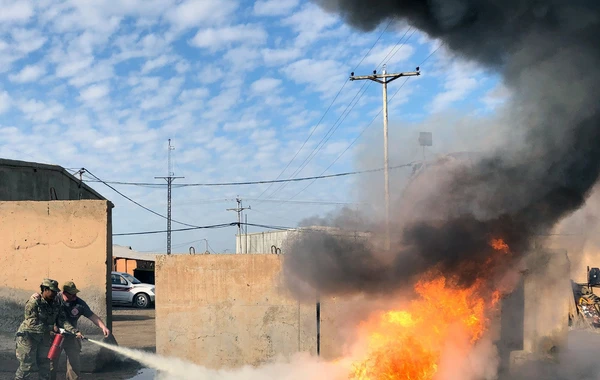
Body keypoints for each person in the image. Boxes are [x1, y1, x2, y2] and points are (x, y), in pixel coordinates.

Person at [15, 278, 84, 380]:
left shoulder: (56, 303)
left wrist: (75, 331)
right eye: (52, 291)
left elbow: (62, 320)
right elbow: (32, 323)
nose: (55, 294)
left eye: (56, 291)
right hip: (28, 338)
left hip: (44, 338)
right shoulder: (34, 302)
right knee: (26, 366)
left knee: (45, 365)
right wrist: (52, 328)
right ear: (45, 289)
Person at [50, 280, 110, 380]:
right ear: (64, 293)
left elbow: (92, 316)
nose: (75, 296)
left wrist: (103, 327)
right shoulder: (55, 299)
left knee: (74, 363)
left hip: (72, 336)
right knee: (52, 362)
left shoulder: (79, 304)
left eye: (75, 293)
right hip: (56, 336)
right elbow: (42, 298)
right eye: (72, 294)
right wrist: (34, 296)